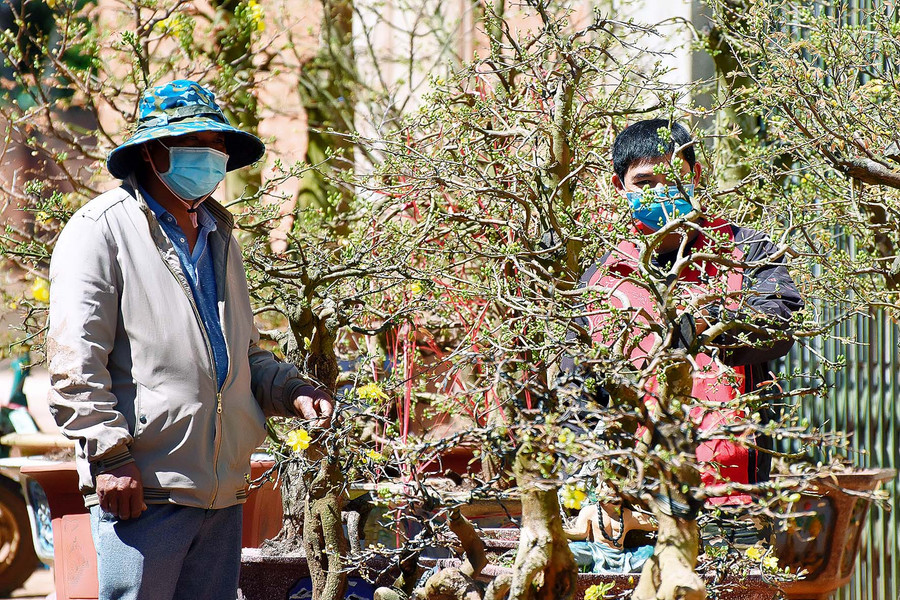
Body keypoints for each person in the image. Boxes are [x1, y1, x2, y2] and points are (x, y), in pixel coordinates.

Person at [47, 79, 332, 600]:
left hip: (220, 491)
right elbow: (74, 361)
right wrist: (110, 457)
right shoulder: (100, 231)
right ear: (153, 153)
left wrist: (294, 390)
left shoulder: (221, 237)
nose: (216, 157)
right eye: (200, 144)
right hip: (141, 489)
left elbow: (241, 356)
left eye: (220, 147)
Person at [571, 118, 803, 512]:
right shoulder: (600, 278)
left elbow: (781, 322)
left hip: (730, 494)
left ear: (694, 175)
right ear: (620, 188)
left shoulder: (744, 249)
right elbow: (578, 390)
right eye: (644, 183)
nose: (660, 192)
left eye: (671, 177)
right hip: (633, 500)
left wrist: (708, 322)